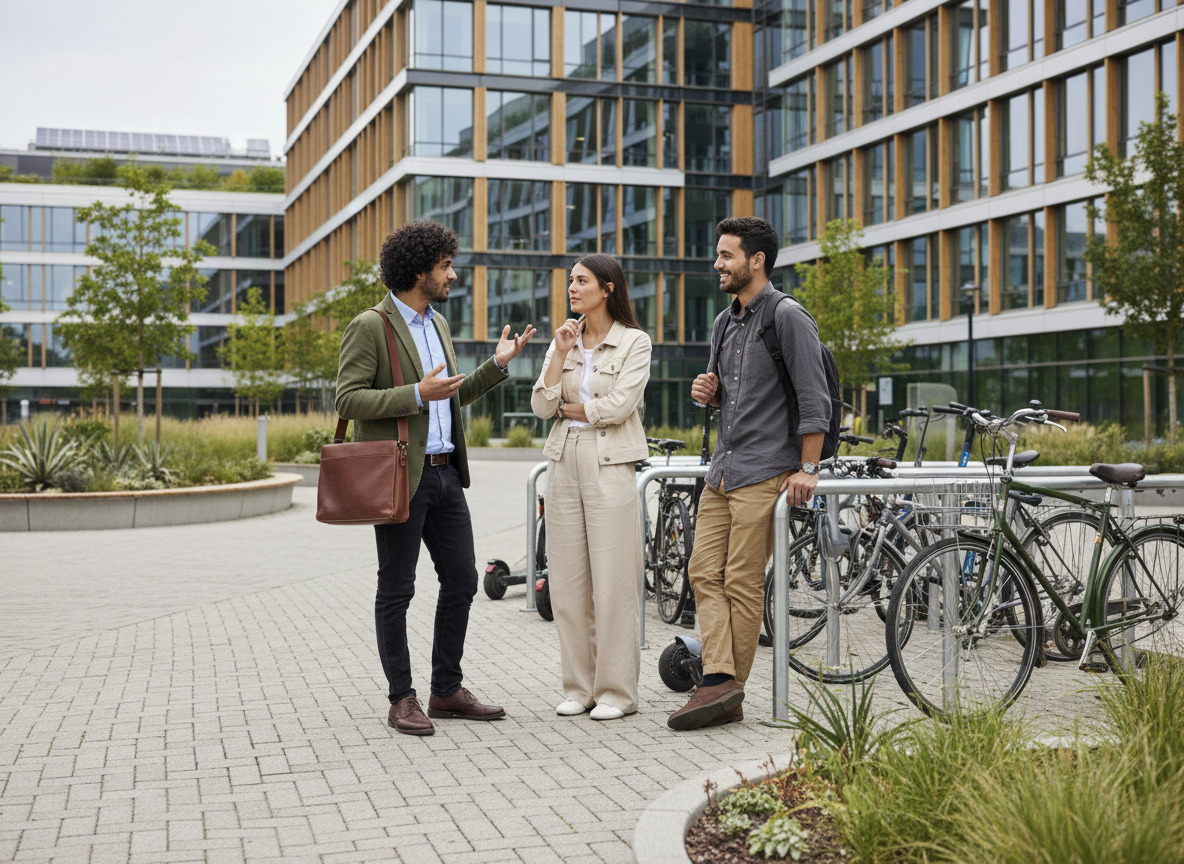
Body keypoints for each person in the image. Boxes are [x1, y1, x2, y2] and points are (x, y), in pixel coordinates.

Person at [335, 221, 536, 736]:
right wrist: (416, 395)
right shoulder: (371, 325)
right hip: (402, 476)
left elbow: (450, 394)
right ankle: (402, 698)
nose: (453, 273)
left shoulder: (437, 325)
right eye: (446, 265)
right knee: (397, 590)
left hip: (447, 476)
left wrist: (494, 365)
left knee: (463, 580)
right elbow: (348, 399)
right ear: (420, 270)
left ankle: (445, 689)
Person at [667, 216, 831, 731]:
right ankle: (721, 680)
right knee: (701, 572)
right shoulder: (723, 322)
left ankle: (719, 689)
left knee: (740, 579)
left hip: (766, 471)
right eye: (718, 255)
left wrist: (808, 468)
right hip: (722, 469)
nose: (717, 264)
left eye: (726, 255)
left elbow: (815, 400)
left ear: (756, 261)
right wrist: (708, 392)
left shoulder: (788, 318)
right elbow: (729, 396)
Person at [531, 254, 652, 721]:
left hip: (609, 463)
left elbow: (620, 405)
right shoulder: (566, 340)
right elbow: (542, 407)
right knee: (568, 585)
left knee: (613, 583)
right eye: (570, 281)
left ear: (607, 288)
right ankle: (578, 688)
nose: (572, 288)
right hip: (563, 462)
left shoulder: (633, 342)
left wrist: (576, 408)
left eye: (582, 281)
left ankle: (617, 693)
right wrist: (559, 353)